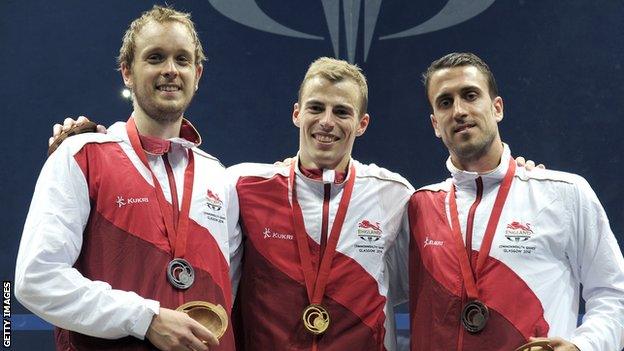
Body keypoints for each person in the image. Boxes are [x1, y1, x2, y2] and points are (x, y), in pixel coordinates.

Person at [15, 5, 241, 351]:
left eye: (182, 60)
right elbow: (37, 279)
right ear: (126, 73)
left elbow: (231, 289)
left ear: (197, 74)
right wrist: (145, 318)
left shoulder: (218, 176)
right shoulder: (82, 155)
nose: (170, 70)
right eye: (155, 58)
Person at [405, 52, 624, 350]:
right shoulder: (418, 207)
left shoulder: (565, 193)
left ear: (497, 108)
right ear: (434, 123)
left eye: (470, 95)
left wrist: (583, 346)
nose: (459, 111)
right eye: (445, 102)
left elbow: (615, 294)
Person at [228, 57, 414, 350]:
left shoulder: (395, 195)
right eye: (316, 108)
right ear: (297, 114)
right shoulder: (243, 186)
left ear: (362, 124)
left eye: (341, 112)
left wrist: (514, 176)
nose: (327, 121)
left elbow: (424, 280)